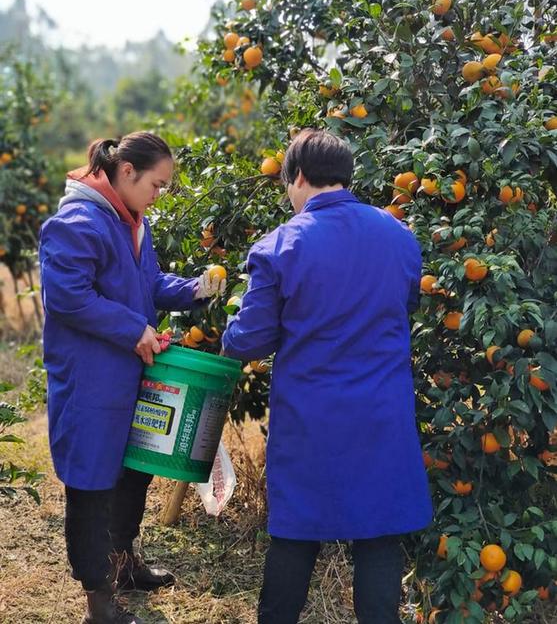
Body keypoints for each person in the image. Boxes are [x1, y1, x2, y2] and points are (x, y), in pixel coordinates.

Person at [222, 129, 433, 624]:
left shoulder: (282, 245)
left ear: (297, 176)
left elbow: (249, 341)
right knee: (378, 538)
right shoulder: (397, 235)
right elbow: (405, 306)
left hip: (311, 419)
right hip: (381, 413)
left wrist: (234, 315)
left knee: (296, 536)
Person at [39, 132, 224, 624]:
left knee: (131, 472)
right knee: (91, 483)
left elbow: (150, 284)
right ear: (126, 173)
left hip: (129, 376)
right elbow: (67, 297)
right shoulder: (78, 223)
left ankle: (123, 564)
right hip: (92, 380)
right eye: (157, 184)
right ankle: (97, 600)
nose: (159, 194)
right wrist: (132, 329)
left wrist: (195, 290)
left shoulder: (132, 222)